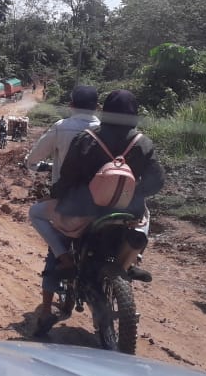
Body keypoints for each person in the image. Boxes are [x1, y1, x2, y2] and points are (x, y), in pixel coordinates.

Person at [32, 90, 165, 333]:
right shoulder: (143, 143)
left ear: (105, 111)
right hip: (126, 211)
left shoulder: (87, 138)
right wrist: (132, 194)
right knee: (145, 215)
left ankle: (62, 263)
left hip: (84, 211)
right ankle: (133, 257)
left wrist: (59, 194)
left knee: (39, 217)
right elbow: (157, 182)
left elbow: (68, 176)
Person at [25, 86, 100, 326]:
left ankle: (46, 311)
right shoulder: (106, 131)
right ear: (97, 107)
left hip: (67, 201)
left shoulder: (61, 127)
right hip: (103, 203)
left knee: (53, 246)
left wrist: (40, 165)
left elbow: (33, 159)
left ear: (71, 105)